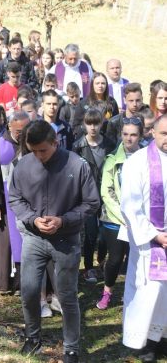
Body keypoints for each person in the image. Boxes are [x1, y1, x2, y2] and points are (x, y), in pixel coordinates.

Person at [9, 119, 100, 363]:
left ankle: (71, 348)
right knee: (28, 292)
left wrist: (63, 220)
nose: (37, 155)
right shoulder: (22, 165)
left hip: (67, 240)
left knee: (68, 296)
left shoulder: (77, 165)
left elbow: (91, 202)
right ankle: (33, 338)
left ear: (55, 142)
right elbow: (15, 199)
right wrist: (32, 219)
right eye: (32, 150)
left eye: (43, 150)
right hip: (34, 238)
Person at [120, 114, 167, 362]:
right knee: (150, 291)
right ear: (153, 133)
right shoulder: (137, 162)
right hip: (149, 239)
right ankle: (145, 343)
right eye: (165, 134)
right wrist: (155, 235)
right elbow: (130, 206)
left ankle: (162, 338)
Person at [96, 116, 142, 310]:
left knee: (135, 258)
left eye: (133, 135)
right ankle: (107, 290)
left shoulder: (147, 159)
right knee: (115, 259)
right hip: (116, 220)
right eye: (125, 134)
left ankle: (131, 292)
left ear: (141, 136)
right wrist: (124, 217)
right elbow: (106, 191)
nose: (128, 139)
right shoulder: (112, 160)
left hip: (140, 220)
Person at [0, 110, 30, 292]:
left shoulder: (32, 143)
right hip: (7, 205)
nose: (23, 135)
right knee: (9, 242)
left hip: (29, 204)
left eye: (26, 130)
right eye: (20, 131)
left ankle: (27, 282)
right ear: (9, 126)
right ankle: (9, 282)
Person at [72, 109, 116, 282]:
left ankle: (102, 258)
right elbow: (73, 172)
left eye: (96, 123)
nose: (93, 127)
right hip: (87, 196)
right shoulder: (78, 146)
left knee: (105, 234)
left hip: (106, 195)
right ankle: (89, 267)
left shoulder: (110, 144)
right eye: (89, 123)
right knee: (90, 235)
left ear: (101, 124)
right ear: (84, 124)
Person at [73, 72, 119, 139]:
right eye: (97, 83)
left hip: (108, 140)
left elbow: (116, 122)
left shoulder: (112, 102)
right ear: (92, 85)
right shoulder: (83, 103)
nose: (100, 86)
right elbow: (76, 126)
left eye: (103, 83)